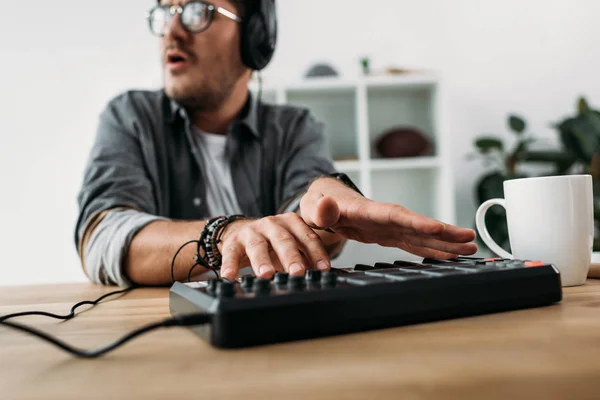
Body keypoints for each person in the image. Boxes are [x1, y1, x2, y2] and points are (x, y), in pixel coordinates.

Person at [75, 0, 477, 287]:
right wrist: (225, 235)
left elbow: (308, 200)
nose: (172, 31)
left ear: (256, 36)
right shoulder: (129, 116)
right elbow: (104, 236)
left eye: (198, 11)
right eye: (165, 11)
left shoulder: (294, 126)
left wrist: (328, 203)